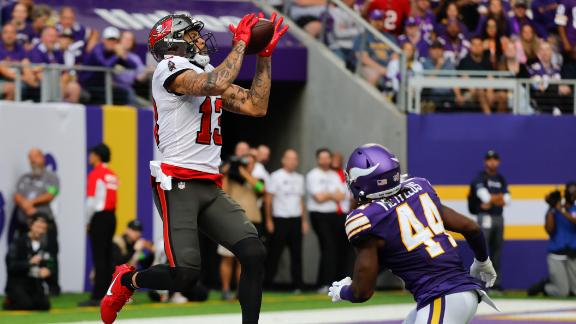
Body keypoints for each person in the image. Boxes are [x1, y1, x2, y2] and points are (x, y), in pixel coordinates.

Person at [99, 13, 288, 324]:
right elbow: (212, 84)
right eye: (190, 35)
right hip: (176, 180)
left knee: (254, 253)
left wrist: (263, 57)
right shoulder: (167, 68)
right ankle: (126, 281)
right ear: (173, 44)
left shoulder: (207, 68)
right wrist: (242, 44)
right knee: (184, 274)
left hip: (209, 184)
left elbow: (257, 105)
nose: (200, 39)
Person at [327, 144, 499, 323]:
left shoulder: (366, 219)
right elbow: (470, 227)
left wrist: (343, 291)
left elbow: (362, 292)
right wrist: (482, 261)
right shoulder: (418, 188)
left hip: (442, 296)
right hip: (457, 293)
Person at [219, 152, 266, 300]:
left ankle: (241, 291)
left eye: (251, 163)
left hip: (251, 223)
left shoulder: (257, 180)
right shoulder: (231, 180)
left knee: (245, 259)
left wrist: (244, 173)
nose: (248, 165)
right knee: (228, 257)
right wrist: (226, 174)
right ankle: (225, 290)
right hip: (232, 222)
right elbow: (223, 193)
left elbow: (261, 189)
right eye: (246, 163)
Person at [13, 148, 60, 295]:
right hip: (25, 223)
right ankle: (27, 285)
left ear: (42, 158)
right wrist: (24, 203)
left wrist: (31, 203)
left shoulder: (51, 177)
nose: (32, 160)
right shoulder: (24, 178)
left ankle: (52, 286)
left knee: (50, 253)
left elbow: (51, 194)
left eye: (35, 157)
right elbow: (17, 195)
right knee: (24, 253)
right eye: (30, 158)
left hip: (45, 224)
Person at [79, 143, 119, 307]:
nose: (90, 157)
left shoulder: (96, 174)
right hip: (111, 217)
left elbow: (91, 202)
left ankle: (98, 296)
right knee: (108, 256)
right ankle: (111, 293)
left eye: (92, 153)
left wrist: (87, 222)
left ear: (97, 156)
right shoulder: (112, 174)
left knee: (99, 257)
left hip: (99, 217)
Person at [265, 149, 307, 291]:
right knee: (274, 253)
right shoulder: (275, 176)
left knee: (297, 254)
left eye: (294, 159)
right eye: (289, 158)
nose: (292, 161)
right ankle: (268, 283)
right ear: (283, 160)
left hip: (295, 220)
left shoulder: (300, 178)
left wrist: (304, 221)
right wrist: (269, 220)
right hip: (279, 219)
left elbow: (301, 201)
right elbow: (268, 200)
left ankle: (298, 285)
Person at [468, 150, 510, 292]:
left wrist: (493, 200)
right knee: (483, 251)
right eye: (489, 159)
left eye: (495, 159)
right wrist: (497, 199)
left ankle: (495, 284)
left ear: (498, 161)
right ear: (486, 161)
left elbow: (507, 200)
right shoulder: (480, 178)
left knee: (497, 251)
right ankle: (480, 284)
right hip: (484, 217)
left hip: (498, 218)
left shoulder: (500, 178)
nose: (492, 162)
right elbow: (485, 198)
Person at [306, 148, 347, 291]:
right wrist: (331, 194)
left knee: (337, 248)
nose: (324, 160)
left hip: (334, 215)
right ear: (317, 159)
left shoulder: (335, 175)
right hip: (318, 214)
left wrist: (327, 195)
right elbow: (318, 198)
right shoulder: (313, 175)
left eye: (327, 157)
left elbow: (342, 196)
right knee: (327, 246)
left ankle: (334, 282)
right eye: (321, 158)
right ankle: (324, 283)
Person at [528, 187, 576, 297]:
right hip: (557, 254)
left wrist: (562, 210)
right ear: (566, 193)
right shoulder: (554, 210)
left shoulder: (571, 209)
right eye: (572, 193)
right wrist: (551, 207)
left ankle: (556, 281)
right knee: (562, 292)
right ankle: (544, 286)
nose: (573, 195)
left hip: (572, 254)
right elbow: (549, 230)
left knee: (574, 291)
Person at [3, 213, 53, 311]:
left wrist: (48, 270)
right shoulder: (18, 242)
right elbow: (11, 265)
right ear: (31, 225)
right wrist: (29, 263)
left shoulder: (45, 246)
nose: (40, 231)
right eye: (38, 227)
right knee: (25, 305)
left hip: (35, 283)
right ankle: (9, 301)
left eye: (43, 228)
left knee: (44, 306)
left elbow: (51, 263)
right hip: (18, 283)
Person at [80, 26, 138, 105]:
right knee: (124, 94)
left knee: (125, 94)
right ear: (103, 40)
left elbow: (133, 66)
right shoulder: (97, 49)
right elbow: (105, 66)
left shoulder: (114, 52)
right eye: (109, 39)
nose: (111, 42)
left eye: (114, 40)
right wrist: (117, 55)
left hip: (103, 87)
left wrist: (123, 56)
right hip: (88, 85)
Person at [27, 26, 81, 103]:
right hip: (43, 83)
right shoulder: (36, 51)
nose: (53, 39)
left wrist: (63, 80)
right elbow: (38, 73)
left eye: (55, 36)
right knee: (58, 87)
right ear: (42, 37)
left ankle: (68, 112)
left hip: (59, 82)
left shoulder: (57, 52)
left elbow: (65, 72)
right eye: (50, 36)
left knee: (74, 88)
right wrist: (57, 82)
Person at [353, 10, 393, 90]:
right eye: (376, 20)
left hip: (388, 69)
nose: (378, 23)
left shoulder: (389, 37)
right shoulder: (363, 36)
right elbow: (363, 58)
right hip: (370, 68)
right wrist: (382, 70)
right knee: (373, 75)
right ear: (370, 20)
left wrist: (392, 69)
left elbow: (395, 56)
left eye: (381, 20)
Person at [528, 42, 573, 113]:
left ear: (551, 53)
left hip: (557, 98)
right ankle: (556, 110)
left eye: (547, 49)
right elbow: (539, 87)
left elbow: (562, 84)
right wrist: (557, 87)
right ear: (538, 53)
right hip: (541, 98)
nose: (545, 52)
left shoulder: (557, 68)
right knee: (553, 87)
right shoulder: (534, 68)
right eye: (542, 50)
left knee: (569, 92)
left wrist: (565, 87)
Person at [455, 36, 495, 114]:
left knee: (502, 96)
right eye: (474, 45)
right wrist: (476, 90)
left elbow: (491, 78)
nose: (477, 47)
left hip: (486, 92)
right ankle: (490, 119)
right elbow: (464, 79)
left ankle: (502, 122)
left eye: (479, 45)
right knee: (480, 92)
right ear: (470, 47)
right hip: (469, 93)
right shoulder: (464, 62)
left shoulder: (487, 62)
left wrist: (490, 91)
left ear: (482, 47)